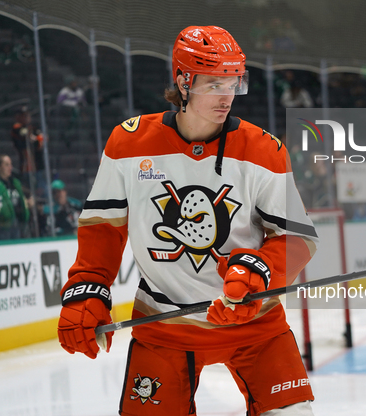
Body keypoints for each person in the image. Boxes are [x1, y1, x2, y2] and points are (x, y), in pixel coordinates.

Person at [57, 26, 318, 416]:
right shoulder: (128, 144)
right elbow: (103, 228)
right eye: (214, 83)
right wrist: (88, 287)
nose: (226, 96)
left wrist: (261, 268)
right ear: (183, 81)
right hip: (164, 326)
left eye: (234, 82)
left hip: (253, 323)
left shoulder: (264, 150)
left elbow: (298, 238)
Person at [0, 154, 30, 240]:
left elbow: (23, 199)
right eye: (6, 165)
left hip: (19, 224)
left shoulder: (15, 183)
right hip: (3, 226)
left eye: (10, 164)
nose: (10, 167)